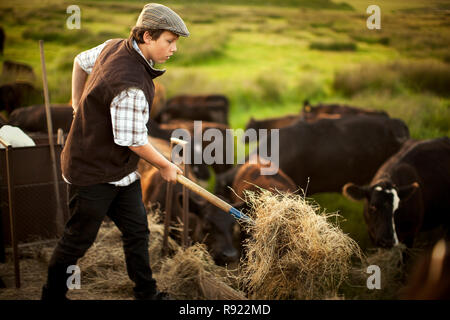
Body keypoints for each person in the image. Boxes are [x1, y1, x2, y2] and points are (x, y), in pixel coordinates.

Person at [41, 3, 189, 300]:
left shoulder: (113, 46)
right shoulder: (130, 84)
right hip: (90, 173)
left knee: (137, 232)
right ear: (147, 36)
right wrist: (165, 165)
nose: (173, 49)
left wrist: (75, 101)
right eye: (169, 41)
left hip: (121, 172)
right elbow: (133, 140)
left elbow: (79, 62)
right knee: (77, 241)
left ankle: (146, 294)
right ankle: (51, 296)